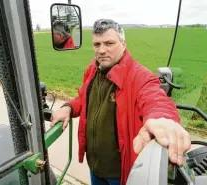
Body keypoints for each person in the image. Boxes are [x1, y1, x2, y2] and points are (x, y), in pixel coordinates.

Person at [51, 19, 191, 185]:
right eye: (97, 44)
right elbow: (83, 99)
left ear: (123, 44)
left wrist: (162, 118)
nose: (101, 50)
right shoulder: (93, 70)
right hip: (95, 167)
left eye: (109, 43)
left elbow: (155, 99)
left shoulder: (139, 76)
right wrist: (68, 107)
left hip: (120, 173)